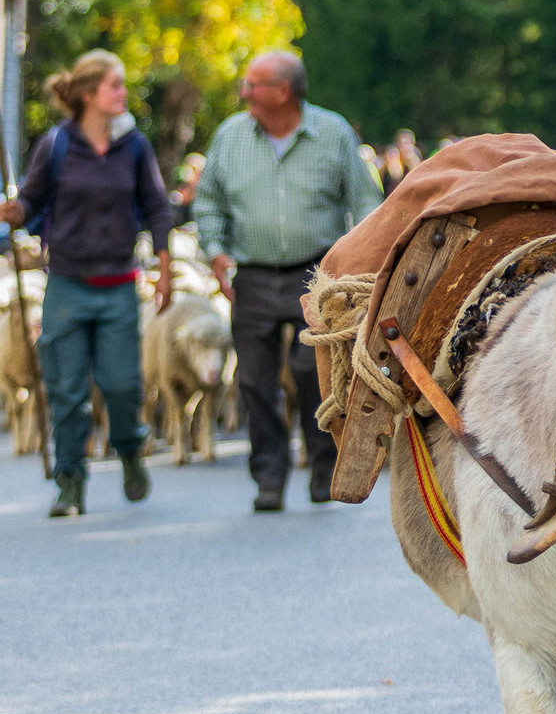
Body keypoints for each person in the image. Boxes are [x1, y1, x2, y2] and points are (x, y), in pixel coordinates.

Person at [193, 51, 381, 512]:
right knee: (255, 380)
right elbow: (208, 201)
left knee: (311, 372)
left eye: (253, 84)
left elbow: (366, 202)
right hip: (251, 275)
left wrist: (356, 270)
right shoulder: (230, 136)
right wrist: (216, 252)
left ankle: (322, 466)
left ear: (283, 92)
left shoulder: (333, 133)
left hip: (316, 273)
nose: (244, 92)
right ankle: (269, 477)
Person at [0, 49, 173, 519]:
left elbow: (156, 205)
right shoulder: (55, 145)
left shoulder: (134, 145)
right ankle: (70, 482)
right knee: (67, 389)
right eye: (115, 86)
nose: (123, 94)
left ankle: (130, 450)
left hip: (119, 283)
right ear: (88, 94)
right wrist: (12, 210)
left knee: (121, 385)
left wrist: (165, 261)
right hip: (67, 284)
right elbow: (31, 201)